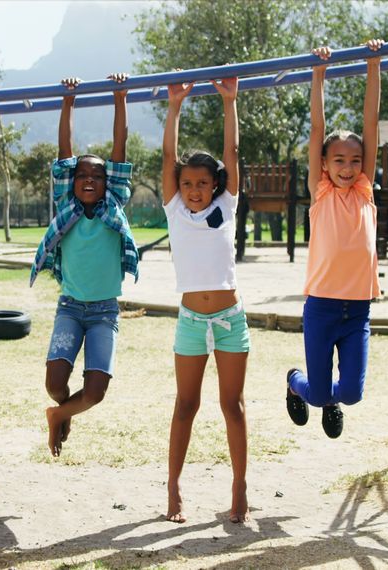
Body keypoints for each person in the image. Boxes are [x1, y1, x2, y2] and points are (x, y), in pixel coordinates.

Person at [31, 74, 137, 458]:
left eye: (97, 175)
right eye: (82, 175)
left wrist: (120, 97)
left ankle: (59, 415)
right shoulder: (66, 207)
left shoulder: (114, 207)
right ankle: (61, 409)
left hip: (105, 311)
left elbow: (120, 149)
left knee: (95, 392)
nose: (89, 179)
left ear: (108, 184)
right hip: (71, 308)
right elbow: (64, 151)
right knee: (55, 383)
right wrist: (67, 100)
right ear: (71, 182)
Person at [161, 76, 249, 524]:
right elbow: (167, 158)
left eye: (203, 183)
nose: (195, 190)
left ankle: (239, 487)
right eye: (188, 183)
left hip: (231, 320)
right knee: (186, 404)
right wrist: (174, 107)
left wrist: (228, 102)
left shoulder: (227, 206)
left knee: (231, 405)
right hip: (192, 320)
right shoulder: (175, 209)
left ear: (215, 185)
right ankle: (173, 486)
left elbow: (231, 154)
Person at [285, 41, 383, 439]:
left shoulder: (364, 190)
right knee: (319, 390)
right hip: (322, 307)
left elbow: (371, 123)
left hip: (358, 309)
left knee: (352, 394)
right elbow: (317, 129)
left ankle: (328, 401)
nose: (348, 167)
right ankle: (296, 381)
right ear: (324, 164)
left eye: (355, 160)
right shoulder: (320, 191)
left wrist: (373, 65)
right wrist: (318, 73)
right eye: (338, 160)